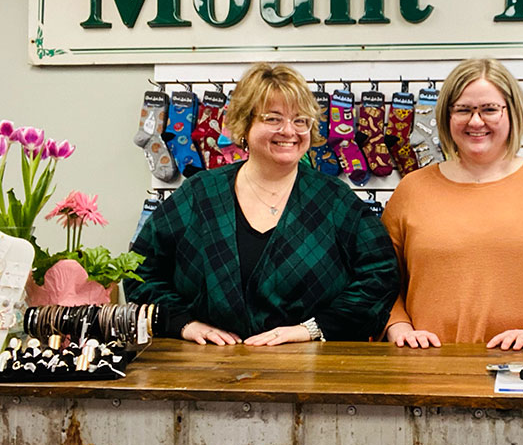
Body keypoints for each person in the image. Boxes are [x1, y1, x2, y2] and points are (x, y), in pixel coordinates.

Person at [125, 63, 399, 345]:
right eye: (273, 119)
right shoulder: (201, 193)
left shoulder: (333, 199)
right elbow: (139, 270)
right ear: (245, 125)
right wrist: (183, 323)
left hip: (310, 365)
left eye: (300, 120)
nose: (289, 131)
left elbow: (381, 275)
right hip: (209, 363)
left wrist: (313, 329)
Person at [381, 58, 523, 350]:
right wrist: (398, 326)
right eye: (463, 109)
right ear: (447, 116)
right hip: (429, 364)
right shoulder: (411, 190)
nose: (476, 121)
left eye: (489, 109)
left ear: (512, 112)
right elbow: (382, 281)